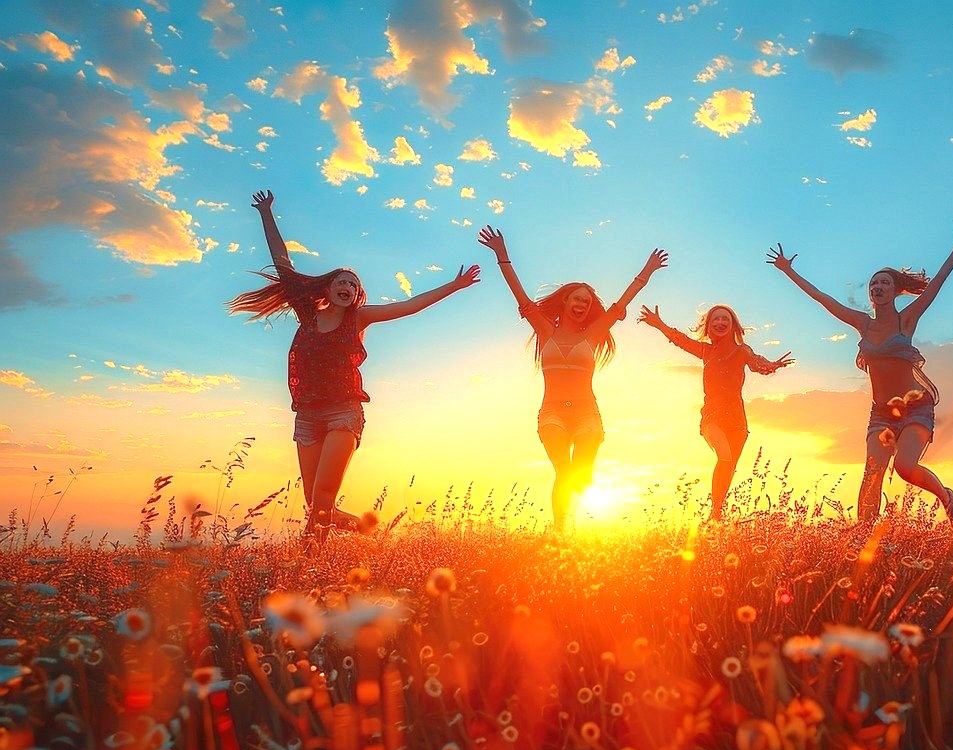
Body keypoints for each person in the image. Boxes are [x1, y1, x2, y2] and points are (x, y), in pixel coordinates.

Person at [230, 190, 480, 546]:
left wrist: (454, 286)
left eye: (353, 284)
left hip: (344, 413)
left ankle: (306, 567)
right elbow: (282, 263)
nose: (347, 287)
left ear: (357, 294)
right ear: (328, 288)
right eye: (341, 282)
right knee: (317, 508)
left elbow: (410, 306)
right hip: (307, 416)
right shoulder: (308, 315)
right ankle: (371, 530)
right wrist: (266, 214)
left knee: (322, 504)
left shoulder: (359, 319)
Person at [765, 214, 953, 525]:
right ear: (870, 293)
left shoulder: (905, 320)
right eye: (874, 283)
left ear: (895, 291)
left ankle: (948, 499)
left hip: (915, 408)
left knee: (905, 468)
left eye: (885, 282)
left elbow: (938, 283)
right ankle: (864, 538)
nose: (878, 286)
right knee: (872, 470)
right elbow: (821, 298)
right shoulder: (862, 323)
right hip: (881, 412)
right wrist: (789, 271)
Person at [477, 225, 668, 530]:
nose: (582, 305)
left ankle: (573, 519)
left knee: (580, 474)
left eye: (587, 302)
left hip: (586, 413)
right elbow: (522, 297)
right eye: (577, 299)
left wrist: (648, 270)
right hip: (552, 412)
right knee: (564, 472)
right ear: (565, 302)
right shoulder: (545, 331)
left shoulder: (593, 334)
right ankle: (560, 531)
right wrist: (502, 256)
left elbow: (623, 302)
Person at [637, 304, 793, 522]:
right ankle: (715, 514)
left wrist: (773, 365)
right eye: (715, 320)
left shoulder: (742, 351)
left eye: (725, 320)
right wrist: (659, 324)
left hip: (738, 419)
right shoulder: (706, 351)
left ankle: (716, 515)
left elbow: (758, 364)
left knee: (729, 468)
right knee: (724, 456)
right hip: (712, 415)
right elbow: (681, 340)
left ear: (733, 326)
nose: (720, 323)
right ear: (708, 327)